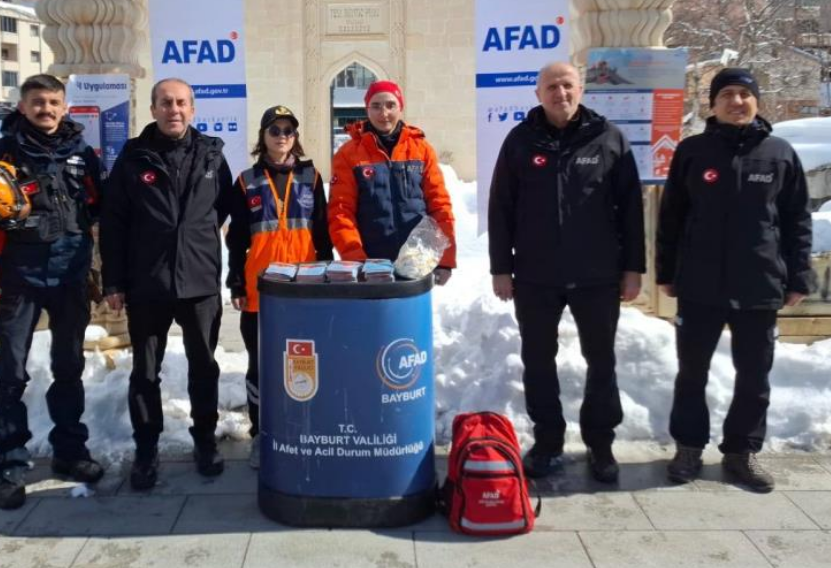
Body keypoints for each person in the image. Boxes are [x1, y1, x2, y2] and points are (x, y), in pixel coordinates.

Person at [487, 61, 645, 484]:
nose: (561, 93)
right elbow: (501, 208)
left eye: (567, 85)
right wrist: (501, 268)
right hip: (536, 274)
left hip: (597, 273)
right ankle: (548, 441)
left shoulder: (608, 138)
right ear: (538, 94)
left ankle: (600, 443)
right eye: (552, 87)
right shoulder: (520, 141)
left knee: (601, 359)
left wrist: (633, 268)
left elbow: (631, 208)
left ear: (581, 89)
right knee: (538, 360)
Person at [657, 68, 813, 493]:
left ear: (757, 102)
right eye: (726, 94)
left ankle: (741, 452)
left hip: (759, 282)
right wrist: (667, 273)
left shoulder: (779, 153)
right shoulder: (692, 151)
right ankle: (688, 447)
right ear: (713, 104)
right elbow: (671, 218)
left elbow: (797, 220)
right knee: (692, 372)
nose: (736, 102)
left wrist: (798, 276)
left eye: (745, 94)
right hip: (700, 283)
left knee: (754, 376)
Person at [0, 74, 106, 510]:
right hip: (19, 279)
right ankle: (10, 462)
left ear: (65, 107)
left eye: (53, 102)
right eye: (37, 102)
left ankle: (70, 450)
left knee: (68, 366)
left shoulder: (83, 154)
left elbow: (100, 210)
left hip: (70, 276)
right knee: (11, 373)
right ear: (23, 105)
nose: (45, 109)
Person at [100, 78, 234, 490]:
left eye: (180, 103)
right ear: (153, 109)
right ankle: (146, 449)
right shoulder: (133, 157)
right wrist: (114, 281)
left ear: (192, 109)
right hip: (148, 283)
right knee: (145, 372)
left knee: (204, 367)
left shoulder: (212, 156)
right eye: (165, 103)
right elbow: (114, 223)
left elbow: (222, 209)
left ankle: (205, 440)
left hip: (199, 283)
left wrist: (194, 242)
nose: (173, 110)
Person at [225, 105, 333, 469]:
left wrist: (326, 275)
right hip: (261, 291)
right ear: (263, 136)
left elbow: (323, 233)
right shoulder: (247, 181)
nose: (282, 136)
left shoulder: (311, 177)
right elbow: (236, 239)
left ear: (295, 136)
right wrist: (235, 281)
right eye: (275, 130)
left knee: (304, 362)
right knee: (260, 366)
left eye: (288, 130)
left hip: (304, 289)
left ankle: (304, 427)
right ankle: (261, 434)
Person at [328, 80, 456, 283]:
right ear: (367, 109)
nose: (384, 113)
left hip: (417, 264)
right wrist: (356, 261)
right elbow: (341, 212)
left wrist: (444, 260)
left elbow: (439, 205)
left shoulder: (421, 150)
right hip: (371, 269)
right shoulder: (348, 154)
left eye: (390, 105)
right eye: (376, 106)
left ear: (400, 107)